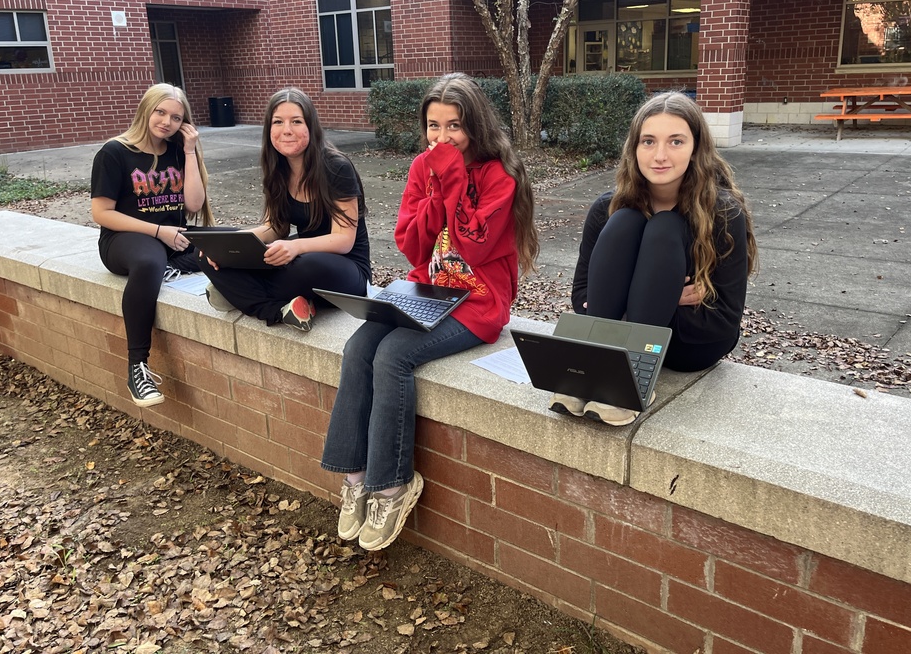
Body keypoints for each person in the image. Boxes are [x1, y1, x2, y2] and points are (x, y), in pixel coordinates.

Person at [321, 73, 539, 551]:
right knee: (359, 344)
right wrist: (437, 187)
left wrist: (455, 179)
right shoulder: (424, 168)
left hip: (478, 301)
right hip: (428, 289)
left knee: (393, 355)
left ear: (474, 127)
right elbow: (411, 244)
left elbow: (475, 246)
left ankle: (392, 485)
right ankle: (356, 476)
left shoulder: (498, 174)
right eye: (433, 126)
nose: (442, 138)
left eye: (454, 126)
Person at [570, 91, 757, 422]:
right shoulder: (607, 209)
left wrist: (635, 298)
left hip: (691, 343)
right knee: (627, 219)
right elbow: (582, 298)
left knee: (665, 227)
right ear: (634, 148)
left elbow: (723, 322)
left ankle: (631, 382)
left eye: (675, 142)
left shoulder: (723, 212)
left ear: (696, 149)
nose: (659, 155)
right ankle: (597, 368)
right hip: (613, 342)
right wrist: (660, 293)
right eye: (648, 141)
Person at [198, 87, 370, 331]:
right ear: (269, 128)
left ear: (310, 126)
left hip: (343, 269)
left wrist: (295, 246)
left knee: (306, 266)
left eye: (296, 121)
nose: (286, 130)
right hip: (299, 256)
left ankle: (237, 293)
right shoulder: (277, 168)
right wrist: (230, 245)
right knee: (207, 253)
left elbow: (344, 240)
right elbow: (275, 227)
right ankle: (278, 310)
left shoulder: (336, 167)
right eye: (278, 122)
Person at [91, 83, 214, 408]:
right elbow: (101, 213)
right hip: (124, 240)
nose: (167, 122)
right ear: (146, 109)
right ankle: (137, 367)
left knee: (233, 242)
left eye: (176, 117)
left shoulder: (177, 151)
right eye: (161, 112)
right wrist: (158, 231)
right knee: (149, 263)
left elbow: (193, 203)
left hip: (172, 237)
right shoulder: (114, 152)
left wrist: (189, 151)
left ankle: (278, 304)